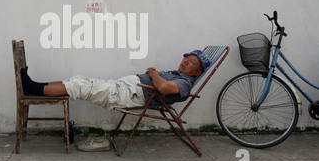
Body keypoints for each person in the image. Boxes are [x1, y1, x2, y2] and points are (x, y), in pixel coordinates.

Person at [20, 50, 211, 111]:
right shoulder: (178, 75)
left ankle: (31, 88)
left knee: (79, 86)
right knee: (78, 78)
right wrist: (154, 74)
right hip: (123, 87)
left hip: (126, 95)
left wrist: (154, 75)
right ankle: (36, 86)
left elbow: (162, 87)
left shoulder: (185, 83)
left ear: (197, 72)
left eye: (191, 62)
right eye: (186, 58)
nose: (185, 61)